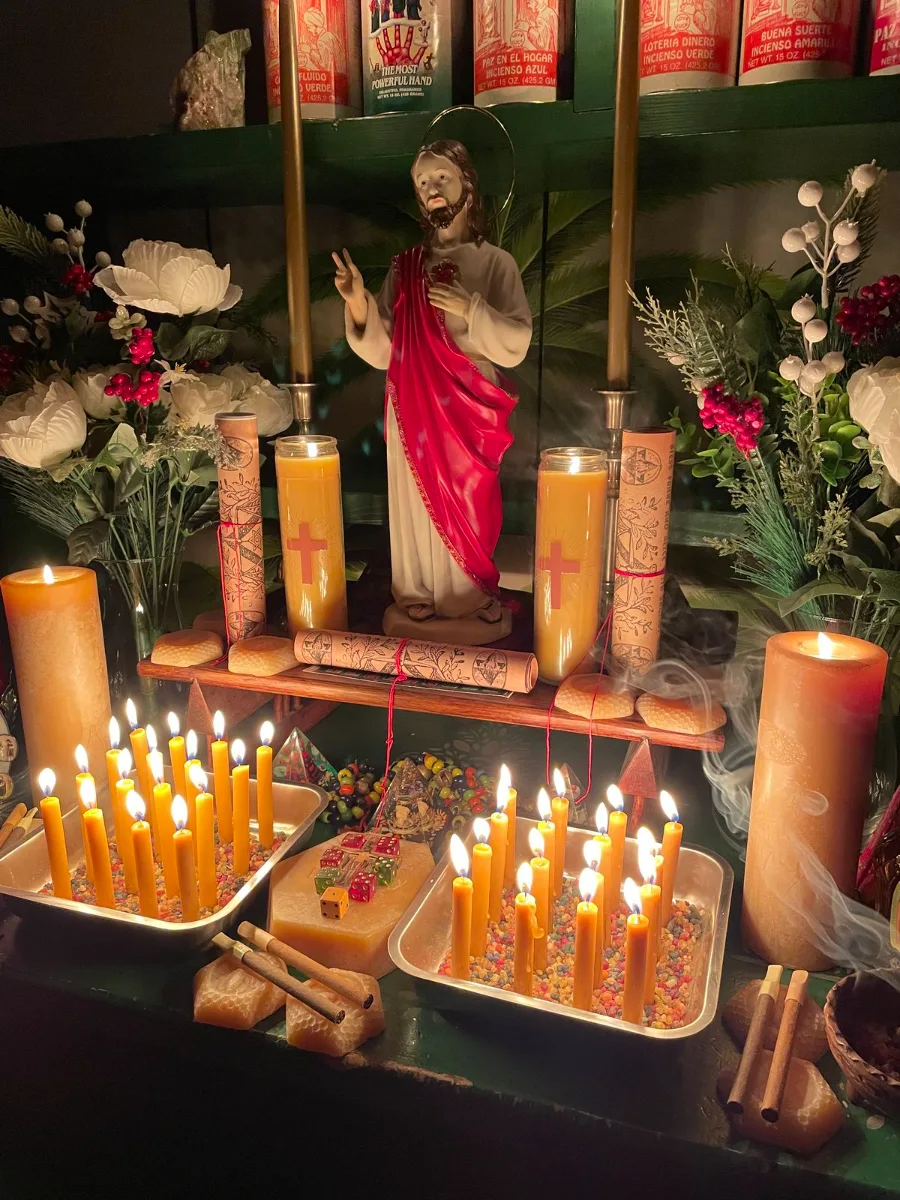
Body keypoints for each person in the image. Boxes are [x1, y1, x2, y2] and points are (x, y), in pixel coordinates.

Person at [333, 140, 532, 633]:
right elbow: (385, 347)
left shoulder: (496, 263)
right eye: (422, 182)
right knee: (413, 496)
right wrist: (357, 302)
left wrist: (471, 309)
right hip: (413, 398)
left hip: (469, 403)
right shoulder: (404, 268)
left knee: (467, 496)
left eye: (442, 177)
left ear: (467, 184)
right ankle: (417, 589)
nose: (432, 189)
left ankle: (467, 592)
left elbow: (517, 341)